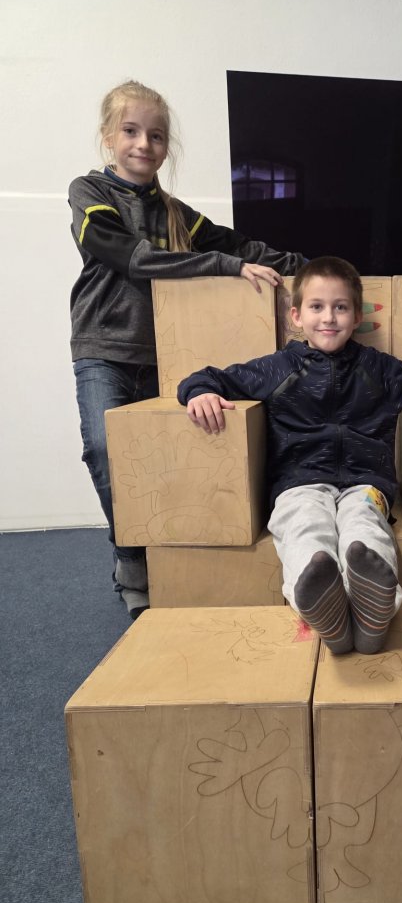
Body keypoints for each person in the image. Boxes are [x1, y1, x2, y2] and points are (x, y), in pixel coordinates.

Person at [178, 256, 402, 655]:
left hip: (366, 482)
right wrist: (200, 392)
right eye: (317, 307)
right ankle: (321, 604)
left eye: (340, 307)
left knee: (364, 525)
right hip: (299, 482)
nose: (328, 318)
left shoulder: (378, 369)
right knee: (305, 524)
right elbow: (210, 377)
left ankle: (374, 611)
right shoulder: (277, 368)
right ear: (297, 316)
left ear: (357, 317)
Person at [69, 79, 304, 619]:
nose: (143, 144)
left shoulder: (176, 212)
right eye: (130, 131)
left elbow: (239, 246)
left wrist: (310, 269)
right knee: (105, 451)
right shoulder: (89, 192)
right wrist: (225, 266)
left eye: (156, 135)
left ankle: (172, 561)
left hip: (166, 355)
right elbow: (133, 258)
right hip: (104, 348)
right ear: (108, 136)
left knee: (169, 459)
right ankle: (132, 560)